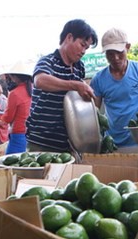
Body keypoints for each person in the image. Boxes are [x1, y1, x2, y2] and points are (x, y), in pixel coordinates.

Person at [26, 18, 98, 153]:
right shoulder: (48, 61)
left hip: (68, 145)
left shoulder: (79, 67)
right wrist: (75, 85)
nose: (83, 51)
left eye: (86, 48)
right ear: (69, 37)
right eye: (82, 45)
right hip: (41, 143)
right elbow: (40, 81)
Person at [91, 28, 138, 153]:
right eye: (110, 53)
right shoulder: (98, 79)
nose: (115, 58)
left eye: (119, 52)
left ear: (128, 47)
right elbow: (94, 113)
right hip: (112, 144)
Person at [0, 61, 33, 154]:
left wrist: (2, 119)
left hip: (19, 134)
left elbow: (8, 117)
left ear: (15, 77)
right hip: (33, 134)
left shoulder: (15, 93)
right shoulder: (35, 89)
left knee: (11, 163)